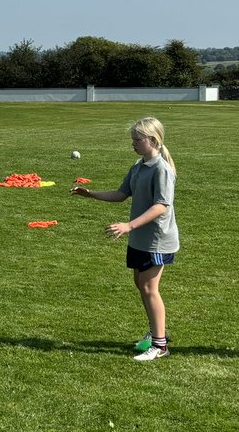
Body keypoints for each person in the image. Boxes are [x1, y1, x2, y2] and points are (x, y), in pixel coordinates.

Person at [70, 116, 179, 362]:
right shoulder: (139, 166)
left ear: (152, 140)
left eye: (137, 140)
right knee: (141, 285)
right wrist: (90, 194)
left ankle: (160, 345)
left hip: (157, 239)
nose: (133, 144)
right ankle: (156, 333)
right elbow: (121, 194)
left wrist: (129, 225)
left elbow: (161, 206)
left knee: (150, 288)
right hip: (140, 238)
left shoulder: (162, 169)